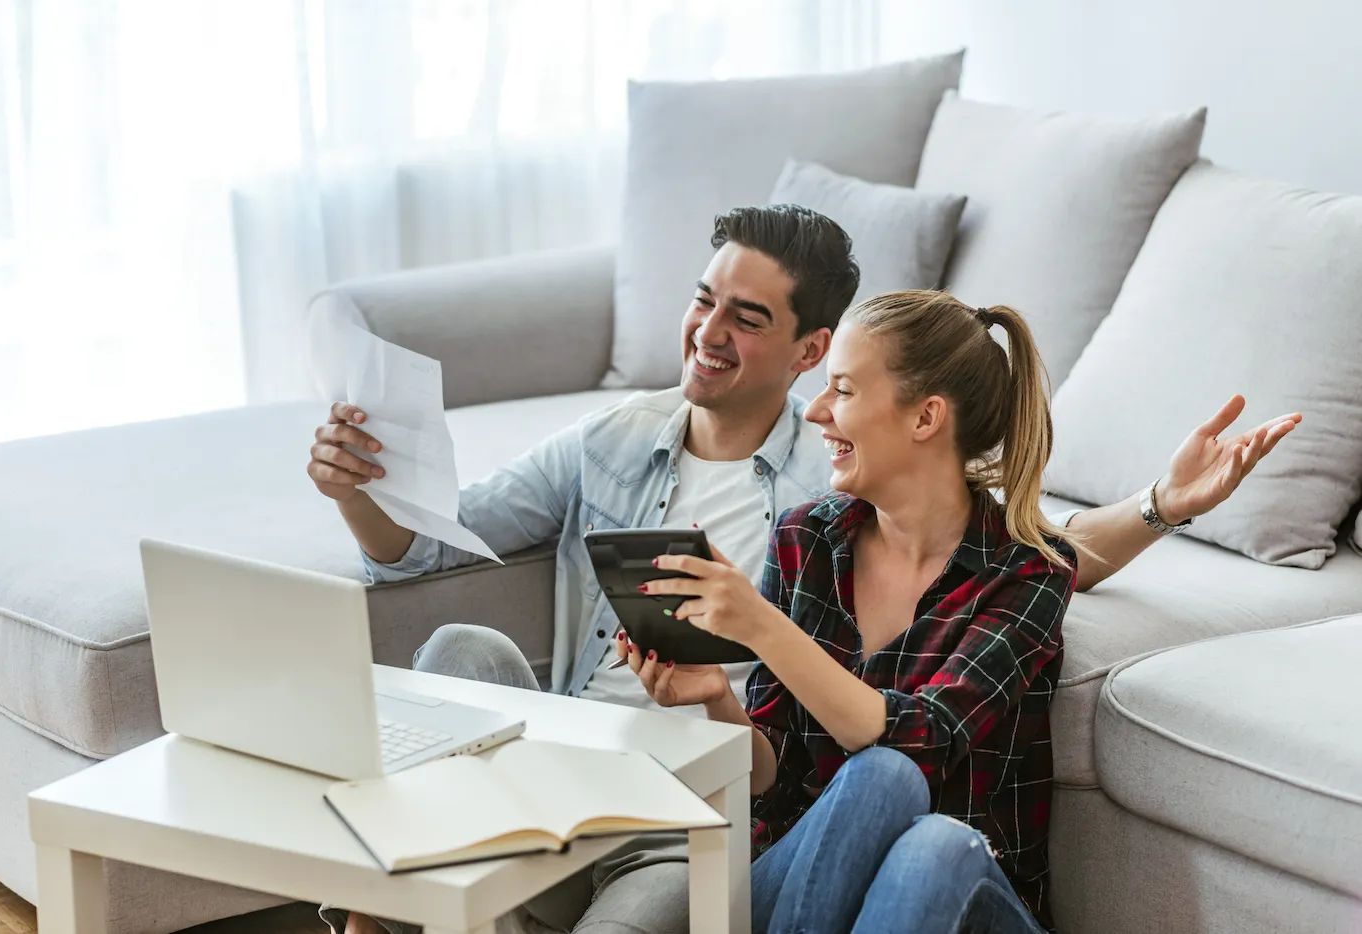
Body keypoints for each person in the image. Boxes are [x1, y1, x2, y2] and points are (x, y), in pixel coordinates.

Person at [306, 206, 1299, 934]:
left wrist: (1159, 506)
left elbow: (1006, 592)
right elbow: (772, 760)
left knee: (908, 814)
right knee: (463, 649)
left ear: (817, 358)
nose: (708, 333)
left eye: (749, 321)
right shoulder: (797, 528)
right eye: (703, 303)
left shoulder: (904, 526)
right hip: (662, 800)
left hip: (782, 838)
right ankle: (385, 906)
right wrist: (715, 701)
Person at [621, 289, 1083, 932]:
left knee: (930, 835)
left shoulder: (1027, 571)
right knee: (881, 780)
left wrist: (762, 624)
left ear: (925, 418)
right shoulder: (806, 539)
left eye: (842, 389)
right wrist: (716, 702)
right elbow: (773, 785)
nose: (814, 411)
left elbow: (926, 740)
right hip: (802, 887)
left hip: (960, 897)